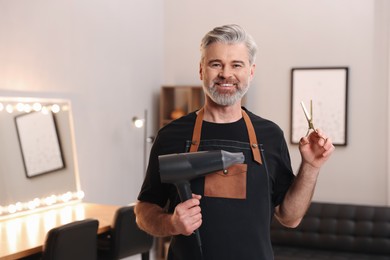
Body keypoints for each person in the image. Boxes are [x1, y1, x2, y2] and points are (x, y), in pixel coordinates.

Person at [134, 24, 335, 260]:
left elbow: (290, 217)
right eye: (216, 64)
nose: (226, 74)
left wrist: (311, 166)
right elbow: (143, 211)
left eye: (236, 65)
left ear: (250, 72)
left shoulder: (269, 136)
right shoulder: (171, 135)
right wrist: (171, 223)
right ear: (201, 71)